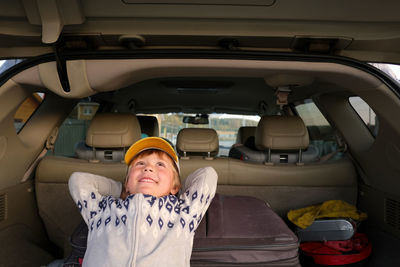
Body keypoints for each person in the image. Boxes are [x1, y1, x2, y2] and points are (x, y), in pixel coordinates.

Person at [68, 137, 218, 267]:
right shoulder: (103, 210)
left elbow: (208, 175)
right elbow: (78, 180)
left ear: (175, 186)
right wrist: (121, 189)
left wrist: (176, 187)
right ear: (127, 183)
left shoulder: (183, 213)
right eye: (140, 164)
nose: (148, 168)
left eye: (160, 164)